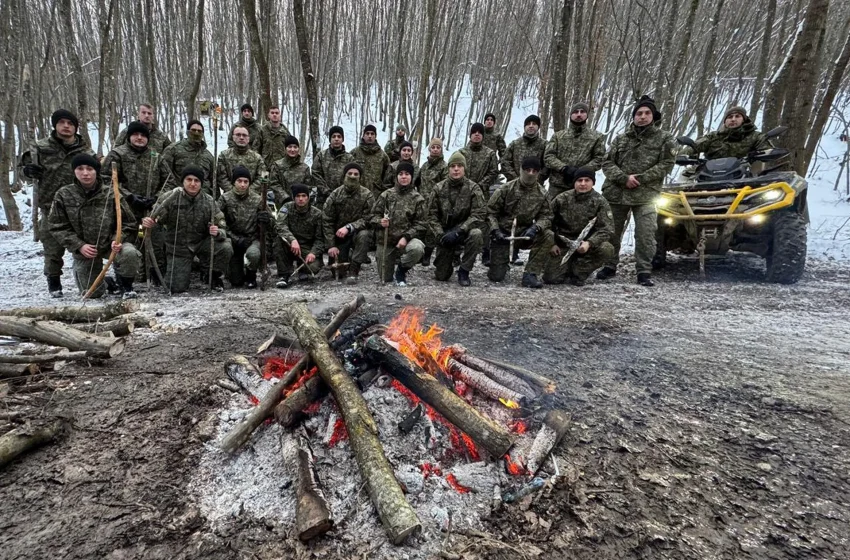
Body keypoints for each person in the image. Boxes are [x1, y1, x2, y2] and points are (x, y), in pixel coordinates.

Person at [598, 95, 676, 287]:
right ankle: (609, 265)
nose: (642, 117)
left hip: (646, 195)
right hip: (617, 193)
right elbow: (607, 163)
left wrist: (641, 178)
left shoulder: (665, 139)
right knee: (611, 233)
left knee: (646, 234)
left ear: (653, 116)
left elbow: (667, 163)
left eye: (647, 113)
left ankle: (643, 270)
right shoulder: (621, 139)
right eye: (639, 113)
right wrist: (624, 178)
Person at [21, 108, 94, 297]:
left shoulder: (85, 149)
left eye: (70, 123)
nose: (66, 126)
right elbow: (23, 168)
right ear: (55, 125)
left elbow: (96, 172)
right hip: (51, 206)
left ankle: (90, 278)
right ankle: (54, 282)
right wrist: (28, 171)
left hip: (79, 208)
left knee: (84, 247)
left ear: (76, 127)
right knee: (53, 249)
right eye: (62, 122)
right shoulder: (40, 147)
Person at [49, 154, 141, 299]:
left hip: (111, 246)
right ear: (74, 171)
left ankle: (126, 287)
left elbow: (129, 222)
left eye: (90, 169)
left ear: (96, 171)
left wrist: (118, 239)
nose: (85, 173)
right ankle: (107, 282)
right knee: (93, 293)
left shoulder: (112, 193)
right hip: (85, 250)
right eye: (80, 168)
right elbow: (57, 226)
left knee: (129, 253)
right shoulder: (63, 195)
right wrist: (79, 245)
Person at [142, 166, 233, 293]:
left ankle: (212, 275)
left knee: (225, 247)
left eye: (197, 181)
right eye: (189, 179)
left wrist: (217, 232)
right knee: (175, 287)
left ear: (201, 183)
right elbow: (155, 218)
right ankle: (188, 267)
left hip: (201, 244)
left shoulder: (209, 201)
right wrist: (149, 222)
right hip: (178, 248)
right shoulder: (169, 198)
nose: (192, 184)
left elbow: (222, 227)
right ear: (183, 181)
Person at [486, 157, 552, 288]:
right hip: (503, 235)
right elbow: (490, 212)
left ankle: (530, 274)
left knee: (548, 235)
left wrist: (536, 227)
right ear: (521, 170)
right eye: (527, 170)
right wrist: (495, 230)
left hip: (525, 234)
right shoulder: (505, 189)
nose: (531, 174)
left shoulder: (542, 193)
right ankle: (502, 263)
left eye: (534, 171)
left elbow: (547, 216)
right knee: (496, 277)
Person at [543, 169, 615, 286]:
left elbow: (607, 229)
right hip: (563, 244)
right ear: (574, 182)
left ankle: (579, 271)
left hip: (585, 246)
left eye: (587, 180)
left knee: (606, 248)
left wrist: (589, 243)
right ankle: (564, 267)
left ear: (593, 183)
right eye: (579, 180)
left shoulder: (600, 202)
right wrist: (552, 243)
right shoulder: (562, 198)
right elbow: (546, 221)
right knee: (551, 279)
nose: (583, 184)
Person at [428, 152, 486, 287]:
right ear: (448, 169)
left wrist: (460, 230)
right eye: (453, 166)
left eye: (459, 166)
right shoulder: (438, 188)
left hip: (463, 232)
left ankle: (464, 270)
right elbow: (431, 215)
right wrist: (440, 234)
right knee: (442, 276)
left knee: (476, 234)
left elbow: (479, 214)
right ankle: (449, 259)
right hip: (445, 234)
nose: (456, 169)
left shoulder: (473, 188)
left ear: (464, 168)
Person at [371, 162, 428, 286]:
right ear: (396, 176)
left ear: (411, 177)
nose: (403, 177)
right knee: (386, 279)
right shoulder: (386, 195)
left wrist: (406, 237)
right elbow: (371, 217)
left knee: (417, 248)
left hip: (406, 241)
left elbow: (422, 224)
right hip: (386, 242)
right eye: (400, 174)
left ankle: (402, 270)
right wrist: (380, 222)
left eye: (407, 174)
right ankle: (390, 263)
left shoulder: (418, 199)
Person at [322, 163, 375, 284]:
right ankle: (347, 256)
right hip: (339, 237)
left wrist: (350, 227)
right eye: (349, 173)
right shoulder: (335, 195)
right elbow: (326, 220)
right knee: (339, 273)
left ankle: (354, 269)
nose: (352, 176)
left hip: (357, 234)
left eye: (356, 174)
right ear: (344, 175)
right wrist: (331, 245)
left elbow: (369, 218)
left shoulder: (367, 195)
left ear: (360, 177)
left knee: (365, 235)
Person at [218, 166, 271, 288]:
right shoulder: (225, 199)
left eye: (246, 182)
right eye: (239, 181)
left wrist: (266, 219)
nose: (242, 185)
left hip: (252, 239)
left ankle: (251, 275)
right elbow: (217, 222)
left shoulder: (258, 199)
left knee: (253, 254)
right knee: (236, 281)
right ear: (233, 182)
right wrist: (235, 239)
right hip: (233, 241)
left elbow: (272, 224)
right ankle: (232, 271)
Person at [544, 102, 606, 201]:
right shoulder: (558, 136)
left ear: (587, 115)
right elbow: (548, 156)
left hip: (582, 186)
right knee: (550, 214)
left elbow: (599, 159)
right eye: (576, 112)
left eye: (582, 112)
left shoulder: (596, 137)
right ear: (571, 114)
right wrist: (564, 168)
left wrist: (581, 171)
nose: (579, 114)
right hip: (557, 186)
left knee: (579, 215)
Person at [274, 184, 325, 287]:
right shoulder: (287, 208)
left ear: (308, 197)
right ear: (293, 197)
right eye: (298, 196)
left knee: (314, 267)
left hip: (307, 247)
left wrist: (313, 253)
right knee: (278, 241)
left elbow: (320, 238)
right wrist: (292, 240)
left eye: (304, 196)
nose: (301, 199)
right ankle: (284, 275)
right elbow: (280, 225)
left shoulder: (317, 214)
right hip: (290, 244)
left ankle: (302, 270)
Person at [684, 106, 770, 160]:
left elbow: (767, 150)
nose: (733, 119)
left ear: (744, 119)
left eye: (737, 116)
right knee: (684, 179)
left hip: (745, 176)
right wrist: (683, 154)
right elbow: (696, 146)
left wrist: (767, 153)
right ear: (725, 121)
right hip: (708, 174)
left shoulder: (755, 136)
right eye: (730, 117)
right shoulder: (713, 136)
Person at [159, 120, 216, 195]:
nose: (196, 133)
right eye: (193, 130)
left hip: (203, 199)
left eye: (199, 131)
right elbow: (164, 175)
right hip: (178, 197)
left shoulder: (208, 155)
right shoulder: (173, 150)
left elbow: (213, 181)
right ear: (187, 132)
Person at [417, 138, 448, 266]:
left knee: (431, 229)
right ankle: (420, 253)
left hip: (436, 202)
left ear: (441, 150)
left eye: (438, 147)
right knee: (422, 227)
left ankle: (428, 255)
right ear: (429, 149)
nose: (435, 149)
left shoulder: (444, 167)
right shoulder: (424, 166)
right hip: (422, 201)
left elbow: (446, 186)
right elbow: (418, 181)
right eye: (433, 147)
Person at [216, 125, 267, 194]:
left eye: (244, 135)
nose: (241, 137)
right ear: (233, 137)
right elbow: (221, 177)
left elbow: (262, 177)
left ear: (248, 139)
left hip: (252, 197)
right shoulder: (224, 156)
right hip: (229, 197)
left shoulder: (257, 158)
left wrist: (248, 192)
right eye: (238, 135)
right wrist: (233, 192)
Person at [268, 136, 316, 207]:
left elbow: (308, 187)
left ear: (298, 149)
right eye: (290, 147)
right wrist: (285, 198)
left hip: (301, 206)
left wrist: (301, 199)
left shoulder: (305, 168)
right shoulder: (277, 165)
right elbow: (274, 184)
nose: (292, 149)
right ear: (285, 149)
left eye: (295, 147)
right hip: (282, 204)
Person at [312, 126, 355, 200]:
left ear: (342, 139)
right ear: (330, 139)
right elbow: (316, 174)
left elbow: (352, 177)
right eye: (333, 136)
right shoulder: (321, 156)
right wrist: (326, 191)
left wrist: (342, 192)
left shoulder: (350, 158)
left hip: (343, 199)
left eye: (339, 136)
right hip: (323, 198)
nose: (336, 139)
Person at [502, 115, 548, 184]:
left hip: (536, 187)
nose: (531, 126)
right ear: (524, 127)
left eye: (534, 124)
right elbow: (505, 162)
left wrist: (536, 179)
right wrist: (515, 178)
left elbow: (548, 165)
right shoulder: (515, 144)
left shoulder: (545, 145)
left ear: (538, 127)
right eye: (528, 124)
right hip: (514, 185)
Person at [351, 124, 391, 198]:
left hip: (376, 195)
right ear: (363, 135)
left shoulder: (383, 155)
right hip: (357, 195)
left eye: (372, 134)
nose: (370, 136)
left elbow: (388, 176)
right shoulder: (354, 153)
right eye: (367, 133)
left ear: (375, 136)